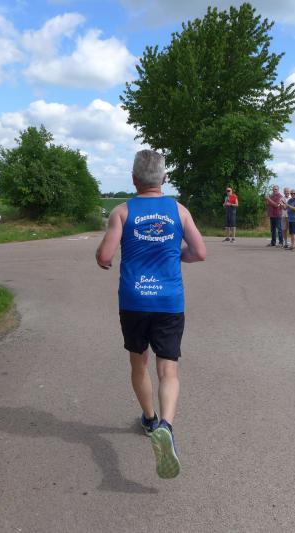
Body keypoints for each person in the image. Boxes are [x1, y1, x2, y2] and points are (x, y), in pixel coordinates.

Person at [95, 149, 206, 480]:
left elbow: (105, 256)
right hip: (169, 301)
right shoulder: (179, 211)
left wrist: (102, 256)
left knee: (139, 363)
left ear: (134, 179)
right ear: (164, 179)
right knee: (168, 369)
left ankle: (149, 419)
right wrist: (178, 255)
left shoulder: (122, 211)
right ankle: (166, 426)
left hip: (134, 301)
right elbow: (200, 252)